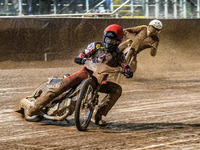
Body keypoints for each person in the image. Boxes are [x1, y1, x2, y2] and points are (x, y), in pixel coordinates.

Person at [27, 24, 133, 125]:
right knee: (59, 87)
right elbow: (84, 53)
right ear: (104, 37)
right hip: (84, 74)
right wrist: (80, 58)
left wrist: (128, 71)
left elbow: (125, 65)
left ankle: (98, 114)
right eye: (108, 39)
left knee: (117, 89)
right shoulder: (96, 46)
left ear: (119, 41)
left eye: (113, 41)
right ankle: (35, 107)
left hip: (100, 81)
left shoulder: (119, 55)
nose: (110, 42)